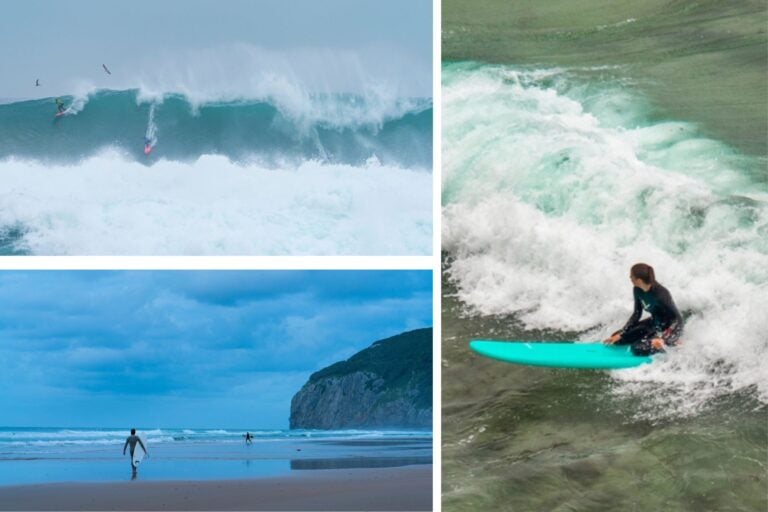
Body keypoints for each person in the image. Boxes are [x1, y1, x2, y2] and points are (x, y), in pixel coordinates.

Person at [604, 263, 683, 356]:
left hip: (667, 328)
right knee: (617, 339)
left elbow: (678, 319)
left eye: (631, 276)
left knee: (637, 348)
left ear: (639, 280)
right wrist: (622, 333)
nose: (630, 278)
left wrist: (664, 339)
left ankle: (672, 344)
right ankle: (649, 338)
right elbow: (637, 313)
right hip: (653, 323)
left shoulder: (661, 294)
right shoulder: (637, 290)